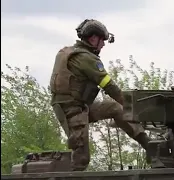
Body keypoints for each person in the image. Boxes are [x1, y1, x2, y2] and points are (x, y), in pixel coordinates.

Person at [49, 19, 151, 171]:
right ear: (93, 38)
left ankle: (150, 146)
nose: (103, 44)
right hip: (71, 110)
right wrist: (134, 108)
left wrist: (125, 108)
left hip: (78, 106)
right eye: (102, 40)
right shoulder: (86, 58)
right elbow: (109, 86)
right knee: (81, 158)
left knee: (115, 108)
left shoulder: (67, 52)